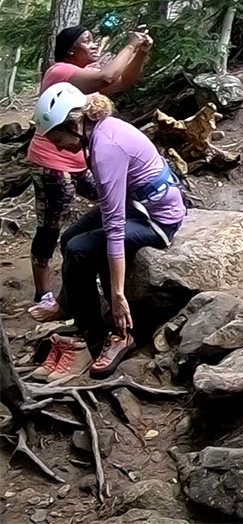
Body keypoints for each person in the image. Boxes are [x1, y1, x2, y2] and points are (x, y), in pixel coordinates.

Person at [26, 84, 186, 380]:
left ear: (73, 125)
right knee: (69, 238)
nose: (59, 148)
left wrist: (118, 296)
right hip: (135, 204)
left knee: (81, 249)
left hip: (156, 219)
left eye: (58, 139)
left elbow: (113, 227)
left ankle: (109, 334)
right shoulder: (97, 131)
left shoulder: (105, 147)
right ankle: (71, 308)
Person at [26, 25, 154, 311]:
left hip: (79, 163)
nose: (94, 45)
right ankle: (42, 293)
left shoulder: (85, 75)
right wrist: (131, 44)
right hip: (51, 163)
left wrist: (141, 54)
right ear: (70, 50)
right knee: (50, 227)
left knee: (115, 202)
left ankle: (101, 262)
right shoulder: (60, 72)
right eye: (87, 41)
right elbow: (107, 77)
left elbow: (122, 81)